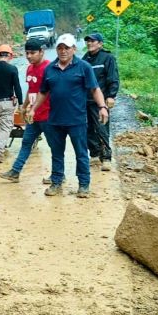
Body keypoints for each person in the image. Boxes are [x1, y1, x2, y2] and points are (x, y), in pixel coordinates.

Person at [29, 34, 109, 198]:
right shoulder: (50, 69)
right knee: (57, 153)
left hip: (77, 120)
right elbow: (43, 92)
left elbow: (94, 89)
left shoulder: (83, 67)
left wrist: (102, 107)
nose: (63, 51)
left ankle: (84, 185)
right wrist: (33, 109)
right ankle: (56, 183)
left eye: (67, 48)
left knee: (81, 153)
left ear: (74, 49)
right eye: (60, 48)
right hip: (55, 120)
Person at [0, 39, 51, 182]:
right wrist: (24, 106)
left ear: (41, 52)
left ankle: (59, 175)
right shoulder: (30, 69)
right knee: (26, 143)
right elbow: (31, 90)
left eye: (32, 53)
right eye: (27, 53)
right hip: (34, 116)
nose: (28, 56)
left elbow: (50, 91)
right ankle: (15, 171)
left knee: (55, 146)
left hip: (48, 114)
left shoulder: (49, 68)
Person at [82, 32, 120, 171]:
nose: (90, 43)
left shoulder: (107, 58)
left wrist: (111, 96)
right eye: (88, 41)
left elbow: (113, 78)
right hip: (85, 100)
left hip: (100, 102)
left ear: (100, 43)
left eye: (93, 41)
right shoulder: (85, 59)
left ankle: (106, 158)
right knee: (87, 129)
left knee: (101, 128)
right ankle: (95, 153)